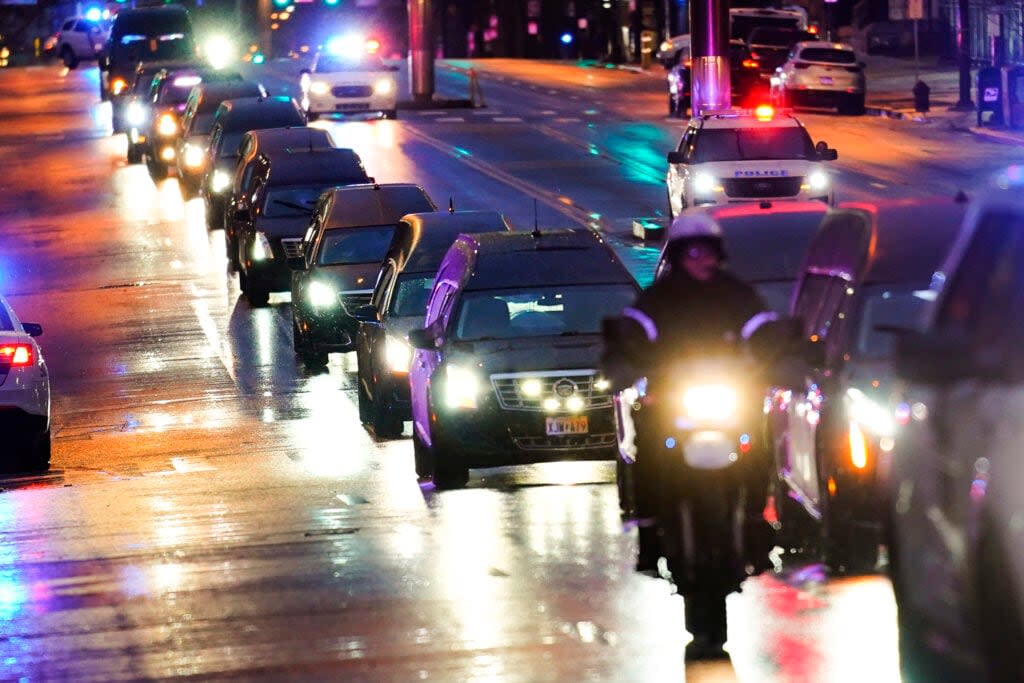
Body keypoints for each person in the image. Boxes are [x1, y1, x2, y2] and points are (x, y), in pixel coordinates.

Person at [601, 211, 780, 660]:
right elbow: (633, 333)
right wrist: (622, 360)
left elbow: (764, 330)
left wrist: (782, 355)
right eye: (691, 251)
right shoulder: (659, 300)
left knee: (758, 450)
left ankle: (757, 527)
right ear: (679, 256)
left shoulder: (736, 295)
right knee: (649, 456)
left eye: (707, 251)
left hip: (729, 405)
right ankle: (650, 532)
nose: (700, 259)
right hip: (673, 409)